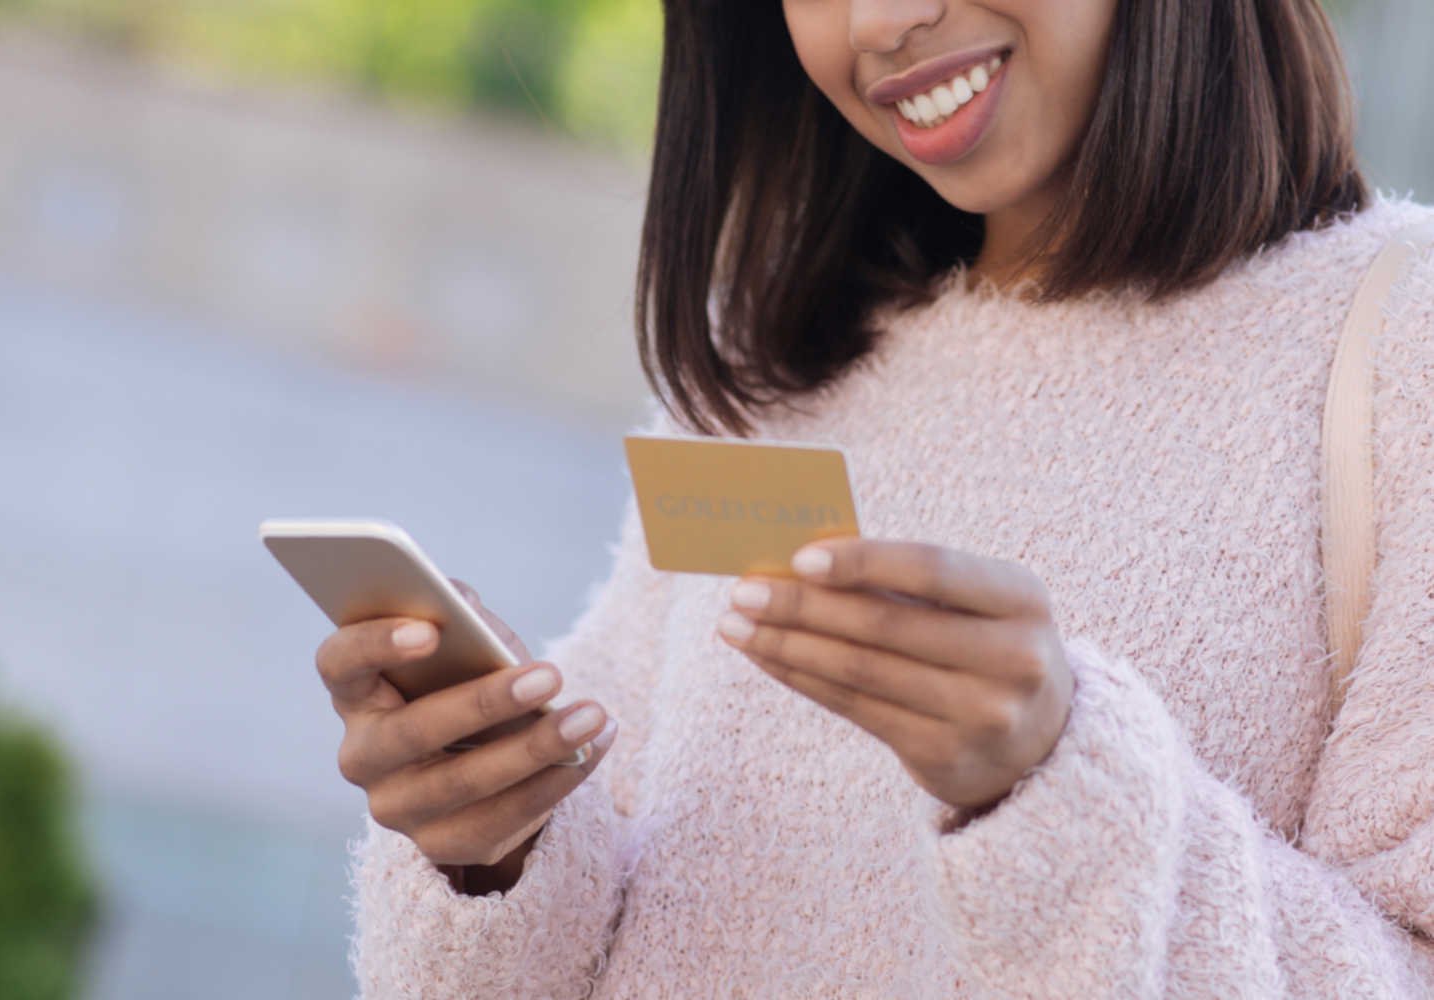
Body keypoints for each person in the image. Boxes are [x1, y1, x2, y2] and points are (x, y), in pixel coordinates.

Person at [316, 1, 1434, 996]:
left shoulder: (1394, 348)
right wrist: (491, 846)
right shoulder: (771, 367)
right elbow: (607, 908)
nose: (881, 22)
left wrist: (1064, 791)